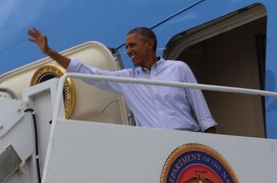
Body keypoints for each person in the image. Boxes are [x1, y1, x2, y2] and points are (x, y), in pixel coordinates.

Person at [27, 26, 217, 133]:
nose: (128, 51)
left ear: (149, 44)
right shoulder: (128, 80)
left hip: (189, 139)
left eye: (132, 45)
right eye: (126, 47)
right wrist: (50, 52)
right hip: (155, 148)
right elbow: (87, 72)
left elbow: (204, 116)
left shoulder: (179, 69)